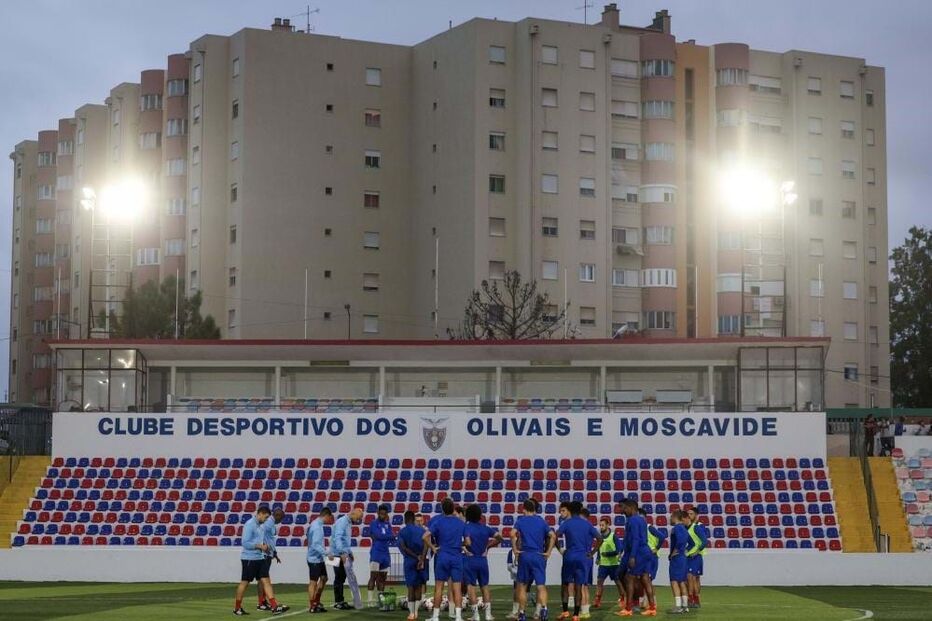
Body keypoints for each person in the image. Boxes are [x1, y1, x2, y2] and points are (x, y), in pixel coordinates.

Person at [233, 506, 289, 616]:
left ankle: (274, 606)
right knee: (244, 583)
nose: (267, 519)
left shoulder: (260, 525)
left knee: (266, 580)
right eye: (266, 517)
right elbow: (245, 543)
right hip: (249, 558)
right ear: (260, 514)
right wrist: (260, 546)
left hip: (260, 557)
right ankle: (237, 608)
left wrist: (267, 549)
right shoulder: (250, 524)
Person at [556, 501, 602, 621]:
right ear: (581, 509)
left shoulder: (567, 523)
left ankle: (565, 612)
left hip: (569, 556)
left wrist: (561, 549)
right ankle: (576, 615)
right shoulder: (587, 524)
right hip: (582, 557)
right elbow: (599, 538)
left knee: (565, 585)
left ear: (570, 510)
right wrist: (592, 552)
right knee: (579, 586)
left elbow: (555, 536)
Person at [512, 498, 556, 621]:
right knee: (541, 586)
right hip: (538, 555)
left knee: (522, 586)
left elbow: (512, 534)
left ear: (524, 509)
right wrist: (548, 552)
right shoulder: (541, 521)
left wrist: (515, 549)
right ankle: (544, 608)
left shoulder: (521, 521)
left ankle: (521, 613)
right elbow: (553, 536)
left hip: (525, 555)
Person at [425, 497, 467, 621]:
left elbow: (425, 536)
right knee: (457, 587)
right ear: (453, 508)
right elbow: (468, 541)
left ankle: (436, 616)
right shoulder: (460, 522)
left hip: (442, 556)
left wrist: (433, 547)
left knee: (439, 587)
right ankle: (458, 616)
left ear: (442, 509)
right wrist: (460, 545)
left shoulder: (438, 522)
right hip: (456, 556)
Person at [463, 503, 502, 621]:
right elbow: (500, 537)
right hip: (483, 560)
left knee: (471, 587)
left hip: (471, 559)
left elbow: (468, 542)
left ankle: (476, 616)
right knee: (485, 586)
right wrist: (488, 547)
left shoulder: (466, 527)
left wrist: (461, 546)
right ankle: (488, 615)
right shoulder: (485, 528)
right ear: (480, 515)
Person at [617, 499, 655, 617]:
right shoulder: (641, 520)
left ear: (631, 507)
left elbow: (635, 539)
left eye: (623, 507)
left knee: (629, 578)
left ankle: (629, 608)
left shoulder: (632, 520)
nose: (621, 511)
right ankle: (652, 608)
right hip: (645, 551)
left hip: (638, 552)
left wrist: (632, 556)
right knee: (645, 578)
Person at [331, 506, 364, 610]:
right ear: (353, 513)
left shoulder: (348, 523)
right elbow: (338, 538)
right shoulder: (342, 522)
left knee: (342, 577)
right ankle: (338, 602)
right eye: (358, 518)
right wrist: (342, 552)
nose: (358, 521)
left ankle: (340, 600)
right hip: (336, 554)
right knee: (339, 577)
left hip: (341, 553)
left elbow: (345, 540)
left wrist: (349, 552)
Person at [399, 510, 430, 621]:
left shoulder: (402, 532)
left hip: (409, 561)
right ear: (413, 519)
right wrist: (422, 557)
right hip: (422, 561)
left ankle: (412, 613)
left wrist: (415, 557)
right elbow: (427, 544)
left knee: (411, 587)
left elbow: (403, 547)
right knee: (419, 587)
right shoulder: (422, 530)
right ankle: (416, 612)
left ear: (405, 519)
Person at [593, 517, 624, 610]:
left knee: (618, 582)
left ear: (607, 525)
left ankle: (623, 598)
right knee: (599, 582)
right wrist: (598, 557)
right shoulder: (599, 537)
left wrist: (608, 554)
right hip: (603, 565)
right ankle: (597, 600)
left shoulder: (613, 536)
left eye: (603, 525)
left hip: (614, 564)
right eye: (600, 525)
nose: (601, 527)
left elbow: (619, 549)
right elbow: (598, 548)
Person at [257, 508, 285, 612]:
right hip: (264, 554)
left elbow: (270, 539)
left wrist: (275, 553)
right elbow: (261, 533)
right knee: (263, 579)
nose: (281, 521)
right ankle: (262, 603)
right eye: (281, 518)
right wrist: (263, 546)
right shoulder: (269, 523)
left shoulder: (271, 523)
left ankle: (263, 602)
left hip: (268, 554)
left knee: (262, 579)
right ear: (277, 516)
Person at [307, 507, 334, 614]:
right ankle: (312, 604)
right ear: (326, 516)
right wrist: (326, 553)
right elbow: (315, 544)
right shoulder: (317, 527)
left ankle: (316, 601)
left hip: (318, 558)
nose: (329, 521)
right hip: (314, 559)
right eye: (329, 518)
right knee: (313, 582)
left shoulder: (316, 524)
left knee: (324, 578)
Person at [368, 504, 396, 608]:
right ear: (378, 513)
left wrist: (386, 536)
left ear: (386, 514)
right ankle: (370, 600)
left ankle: (380, 600)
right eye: (381, 513)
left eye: (384, 514)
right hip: (376, 553)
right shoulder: (373, 523)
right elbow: (378, 535)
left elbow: (392, 537)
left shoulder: (388, 524)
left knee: (383, 578)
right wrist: (388, 536)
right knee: (373, 577)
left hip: (385, 554)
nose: (382, 515)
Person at [667, 511, 690, 615]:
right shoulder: (684, 529)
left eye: (671, 517)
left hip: (677, 559)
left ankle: (678, 606)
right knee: (682, 581)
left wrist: (675, 551)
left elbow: (680, 540)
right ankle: (685, 606)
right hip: (683, 558)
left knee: (674, 581)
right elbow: (690, 542)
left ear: (675, 517)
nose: (670, 519)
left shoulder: (677, 528)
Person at [685, 506, 708, 610]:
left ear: (696, 515)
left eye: (691, 514)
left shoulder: (699, 526)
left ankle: (695, 599)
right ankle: (693, 599)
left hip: (697, 555)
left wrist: (697, 551)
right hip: (689, 555)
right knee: (690, 578)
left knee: (694, 578)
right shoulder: (686, 526)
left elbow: (703, 541)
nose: (689, 516)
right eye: (688, 514)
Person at [642, 508, 666, 608]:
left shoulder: (649, 528)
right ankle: (646, 602)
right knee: (644, 580)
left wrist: (656, 548)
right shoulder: (638, 529)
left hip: (652, 557)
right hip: (643, 557)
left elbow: (662, 537)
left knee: (648, 580)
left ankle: (651, 602)